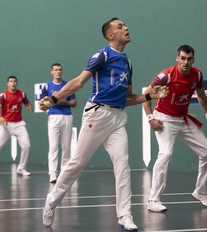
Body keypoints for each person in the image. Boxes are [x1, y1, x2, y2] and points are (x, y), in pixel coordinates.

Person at [39, 17, 168, 231]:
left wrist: (149, 96)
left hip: (118, 118)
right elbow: (79, 81)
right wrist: (54, 98)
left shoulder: (127, 63)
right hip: (97, 115)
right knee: (77, 163)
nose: (126, 28)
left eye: (124, 25)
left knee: (123, 165)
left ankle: (124, 215)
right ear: (110, 35)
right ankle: (52, 201)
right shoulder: (102, 55)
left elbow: (127, 98)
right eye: (120, 27)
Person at [143, 45, 207, 212]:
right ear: (177, 58)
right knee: (166, 153)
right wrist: (150, 119)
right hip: (164, 119)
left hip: (183, 118)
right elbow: (147, 96)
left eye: (189, 59)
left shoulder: (196, 74)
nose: (186, 62)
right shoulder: (166, 75)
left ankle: (200, 191)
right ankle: (153, 200)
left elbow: (201, 94)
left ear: (193, 60)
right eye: (183, 58)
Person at [0, 76, 33, 177]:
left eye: (14, 81)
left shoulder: (22, 94)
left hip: (19, 124)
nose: (13, 83)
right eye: (11, 82)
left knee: (26, 145)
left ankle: (21, 168)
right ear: (8, 84)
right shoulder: (3, 95)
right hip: (6, 125)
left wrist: (29, 107)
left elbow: (27, 103)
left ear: (17, 83)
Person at [41, 63, 77, 183]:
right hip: (53, 117)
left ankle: (64, 173)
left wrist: (62, 102)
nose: (58, 72)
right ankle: (52, 174)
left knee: (66, 147)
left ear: (62, 71)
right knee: (53, 147)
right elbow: (42, 104)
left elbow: (74, 103)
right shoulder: (46, 87)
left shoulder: (68, 85)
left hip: (67, 116)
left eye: (60, 70)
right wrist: (47, 104)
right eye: (55, 70)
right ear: (52, 72)